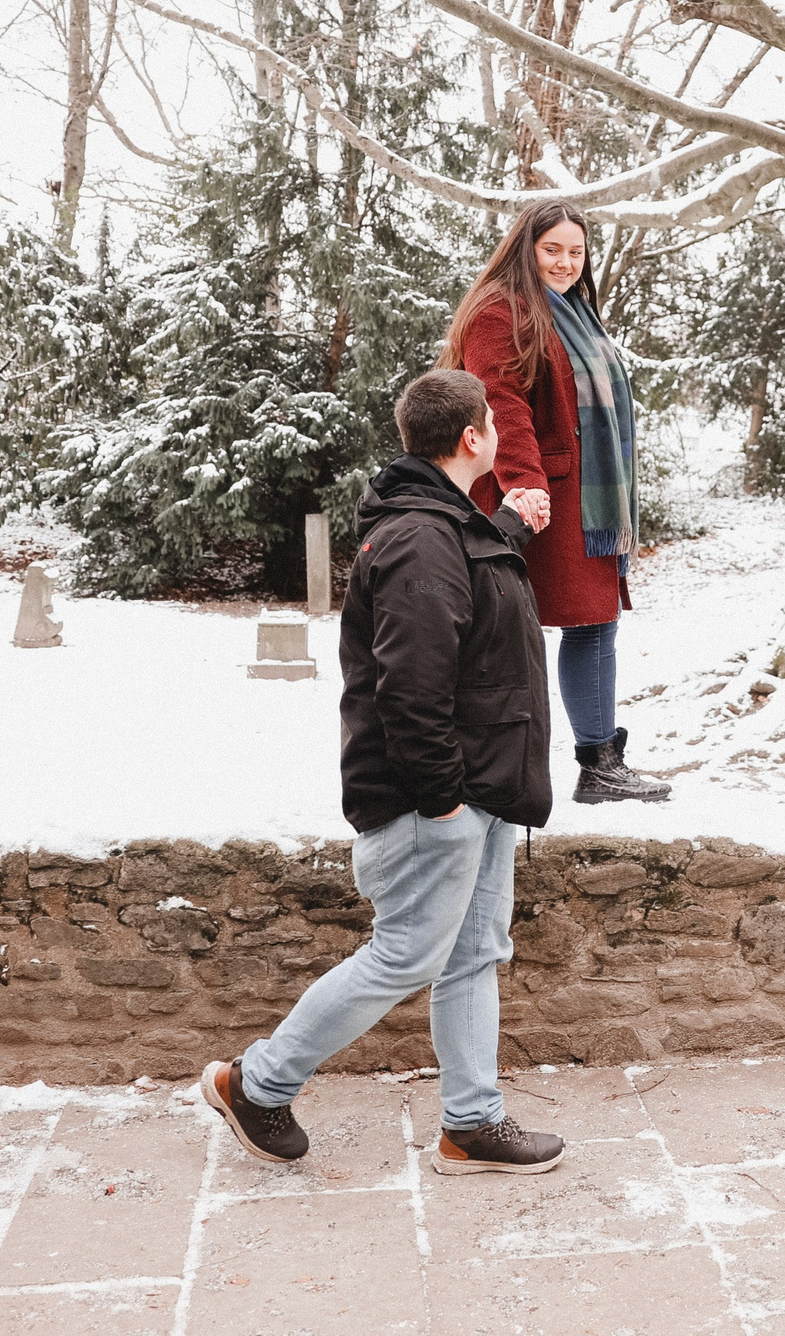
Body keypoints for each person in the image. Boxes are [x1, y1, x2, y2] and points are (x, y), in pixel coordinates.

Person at [200, 368, 567, 1175]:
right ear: (473, 437)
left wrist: (507, 526)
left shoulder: (442, 524)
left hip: (479, 789)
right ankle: (254, 1083)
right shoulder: (417, 537)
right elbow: (413, 681)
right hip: (436, 800)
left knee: (472, 954)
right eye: (493, 428)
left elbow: (463, 611)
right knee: (404, 955)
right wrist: (442, 801)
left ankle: (471, 1124)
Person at [442, 198, 673, 804]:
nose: (566, 262)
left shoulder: (574, 311)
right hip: (541, 496)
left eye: (576, 251)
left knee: (594, 621)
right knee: (504, 630)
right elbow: (501, 403)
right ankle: (483, 763)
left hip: (587, 501)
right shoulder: (500, 311)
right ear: (526, 247)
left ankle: (599, 763)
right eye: (553, 250)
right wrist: (524, 485)